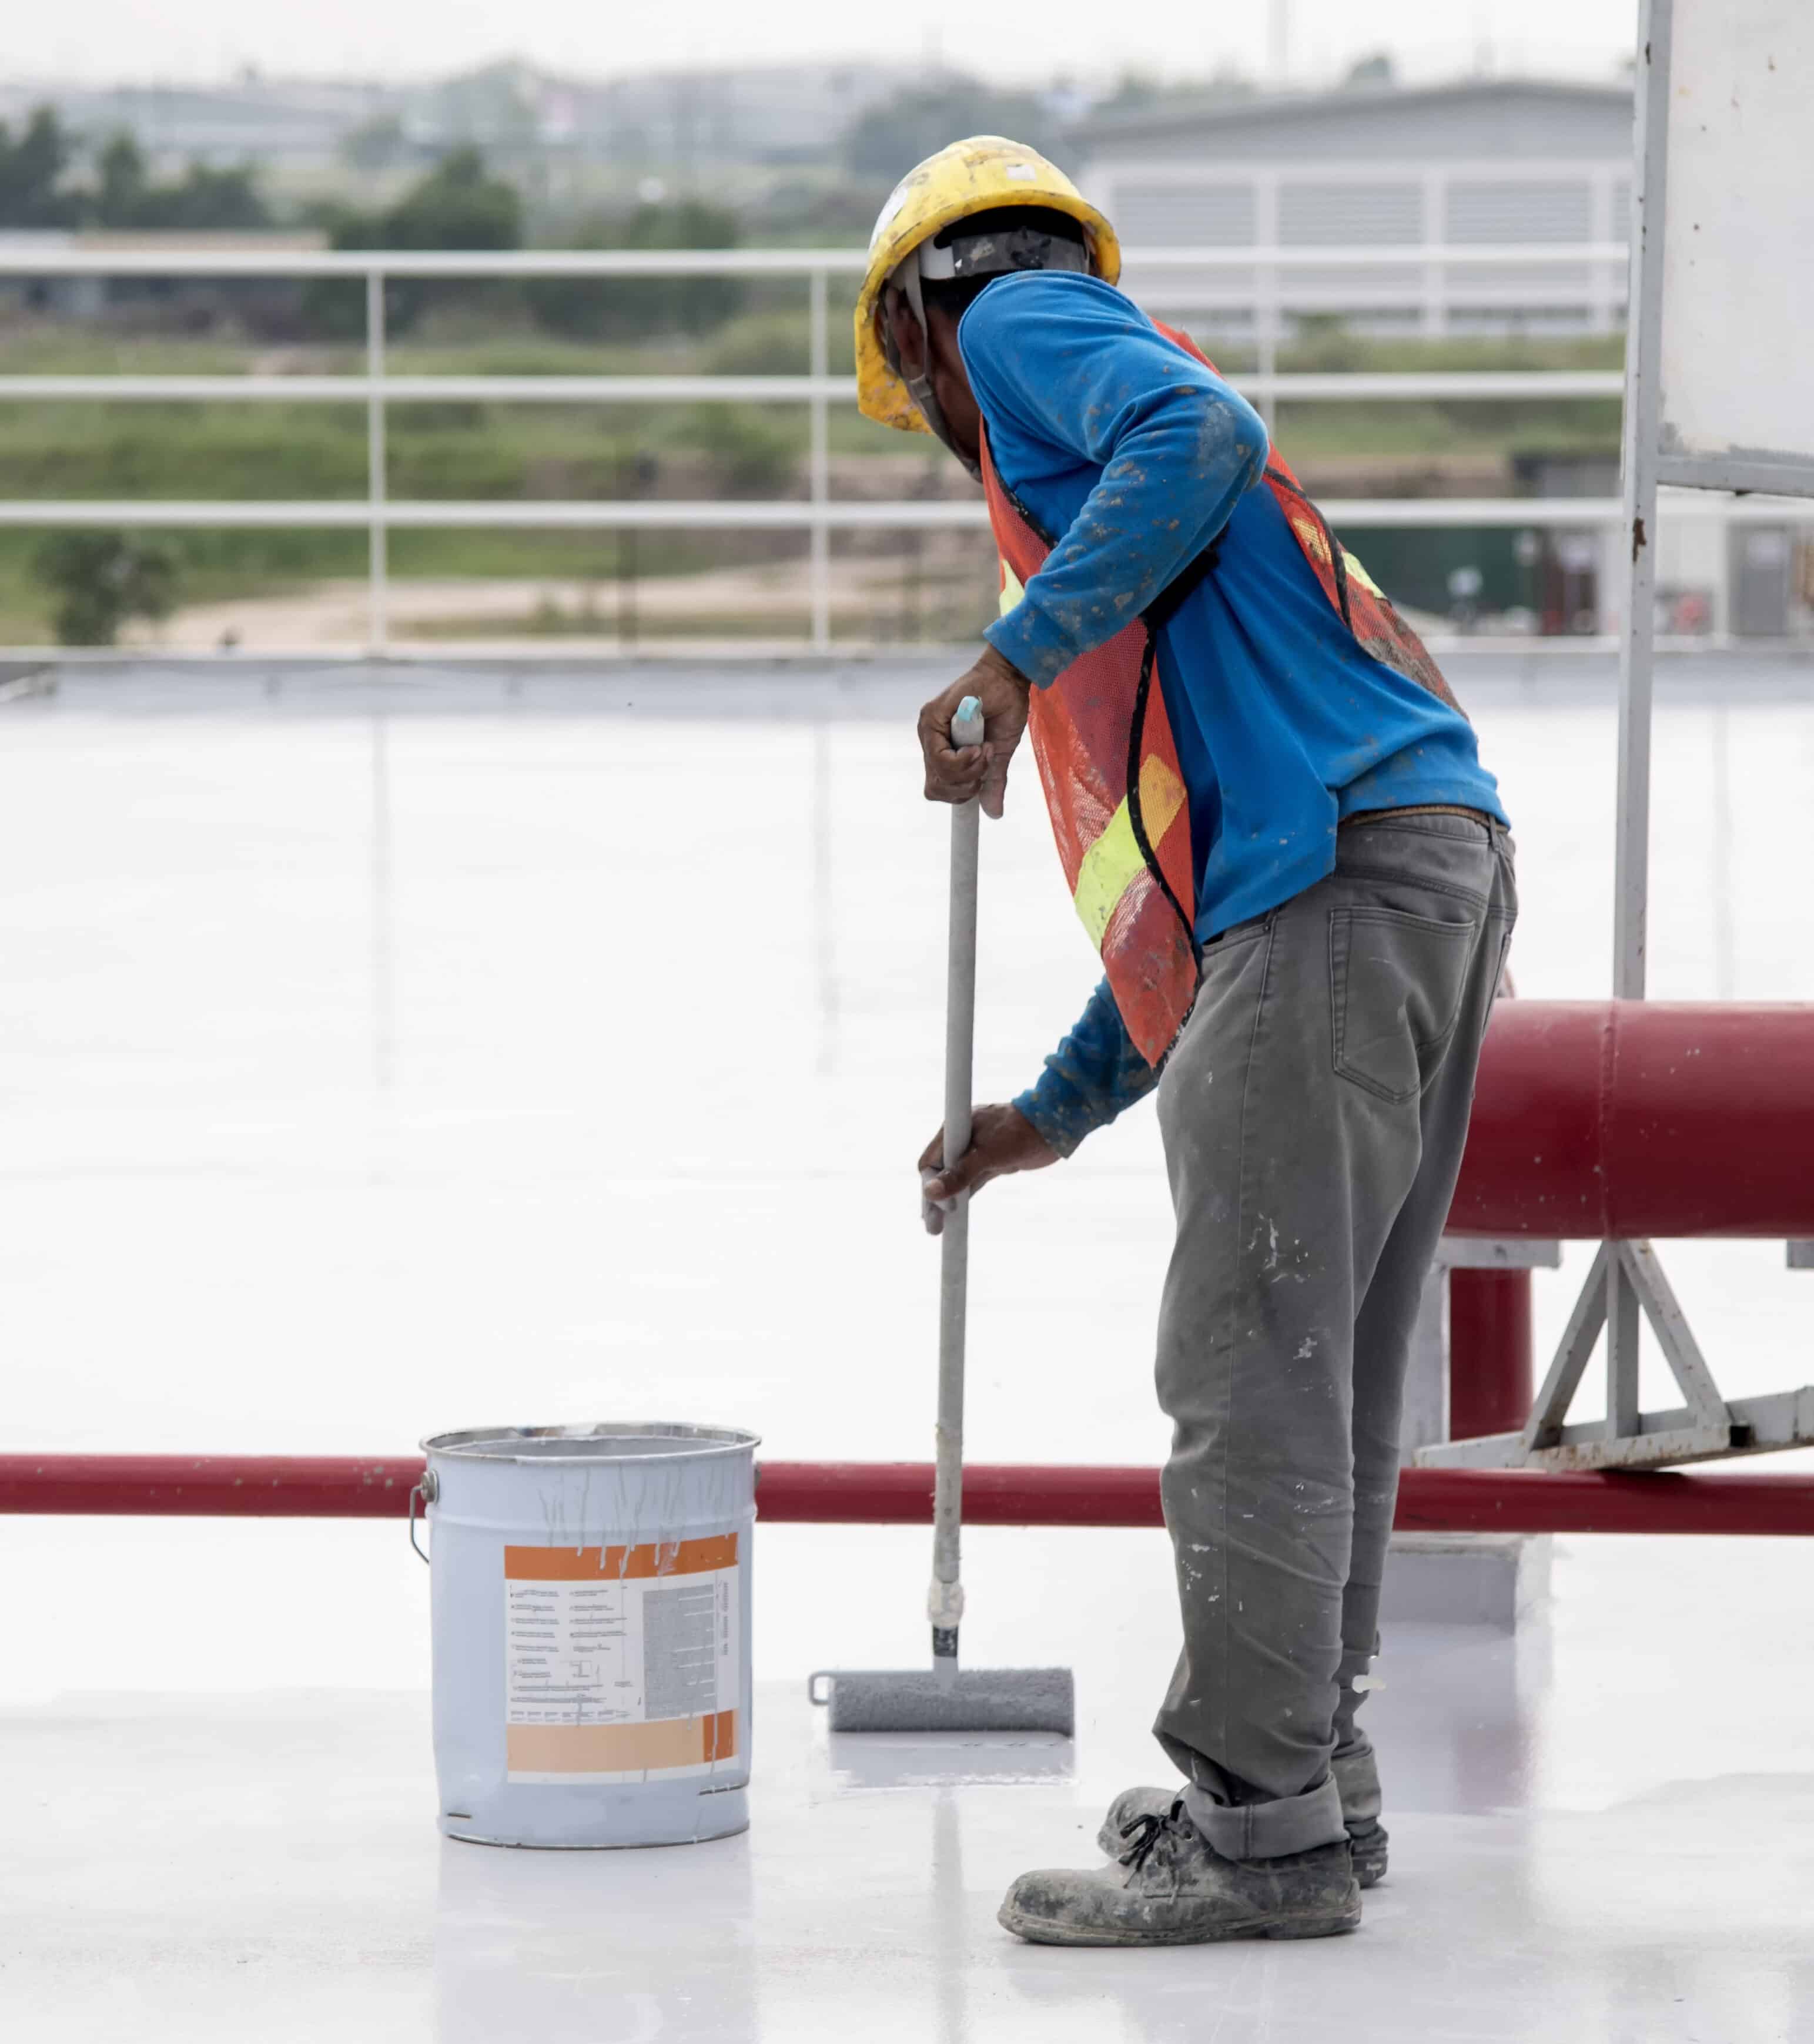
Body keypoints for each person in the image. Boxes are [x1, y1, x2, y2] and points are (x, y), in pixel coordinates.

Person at [853, 137, 1517, 1948]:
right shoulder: (1163, 588)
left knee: (1250, 1374)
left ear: (919, 315)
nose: (931, 402)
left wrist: (1006, 654)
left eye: (908, 368)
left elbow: (1201, 429)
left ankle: (1258, 1833)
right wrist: (1048, 1113)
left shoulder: (1017, 323)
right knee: (1333, 1373)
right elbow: (1196, 911)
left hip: (1344, 896)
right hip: (1412, 872)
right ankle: (1313, 1779)